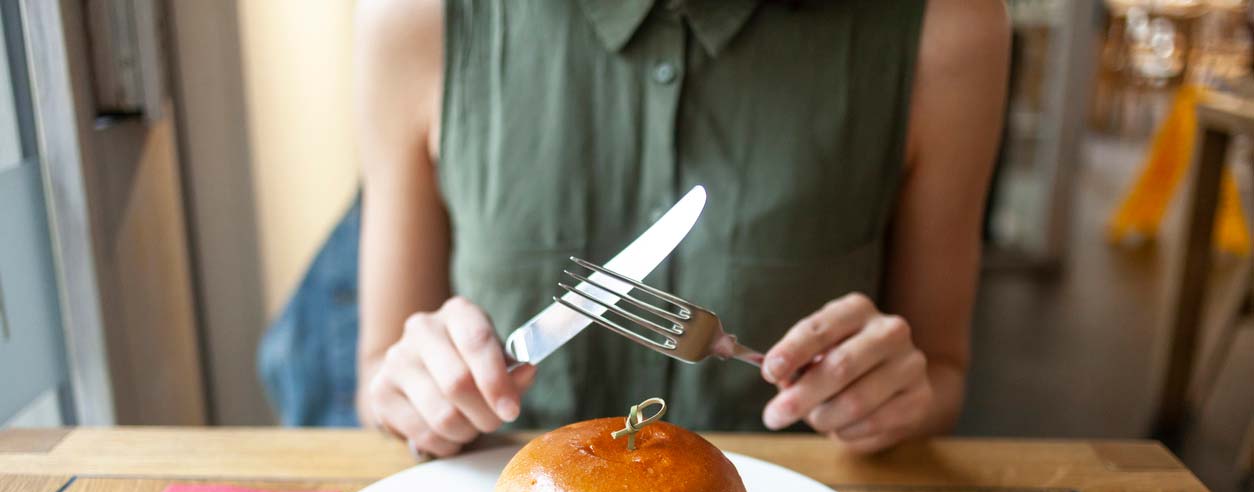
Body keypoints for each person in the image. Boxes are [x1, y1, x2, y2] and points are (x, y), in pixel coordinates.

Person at [355, 0, 1010, 457]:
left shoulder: (945, 30)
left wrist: (895, 397)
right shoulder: (417, 18)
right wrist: (416, 393)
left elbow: (943, 375)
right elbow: (376, 378)